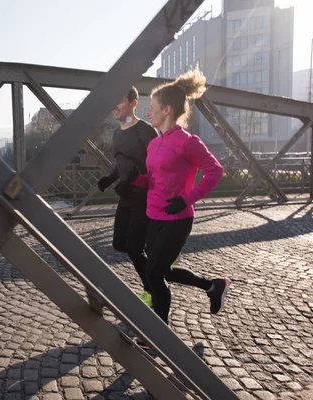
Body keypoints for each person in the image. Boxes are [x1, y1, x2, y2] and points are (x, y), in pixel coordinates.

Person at [123, 67, 230, 337]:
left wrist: (186, 199)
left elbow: (215, 170)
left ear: (167, 110)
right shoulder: (154, 144)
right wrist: (137, 180)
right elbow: (155, 179)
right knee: (163, 272)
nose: (148, 113)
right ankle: (213, 286)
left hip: (178, 219)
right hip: (154, 217)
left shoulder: (187, 142)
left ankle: (158, 337)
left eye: (153, 108)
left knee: (154, 274)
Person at [97, 87, 158, 307]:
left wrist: (136, 182)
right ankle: (156, 268)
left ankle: (151, 289)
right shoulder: (117, 133)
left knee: (133, 248)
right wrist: (110, 179)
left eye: (120, 101)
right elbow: (121, 163)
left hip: (143, 198)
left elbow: (156, 166)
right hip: (125, 198)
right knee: (119, 243)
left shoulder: (145, 131)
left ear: (134, 103)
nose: (115, 105)